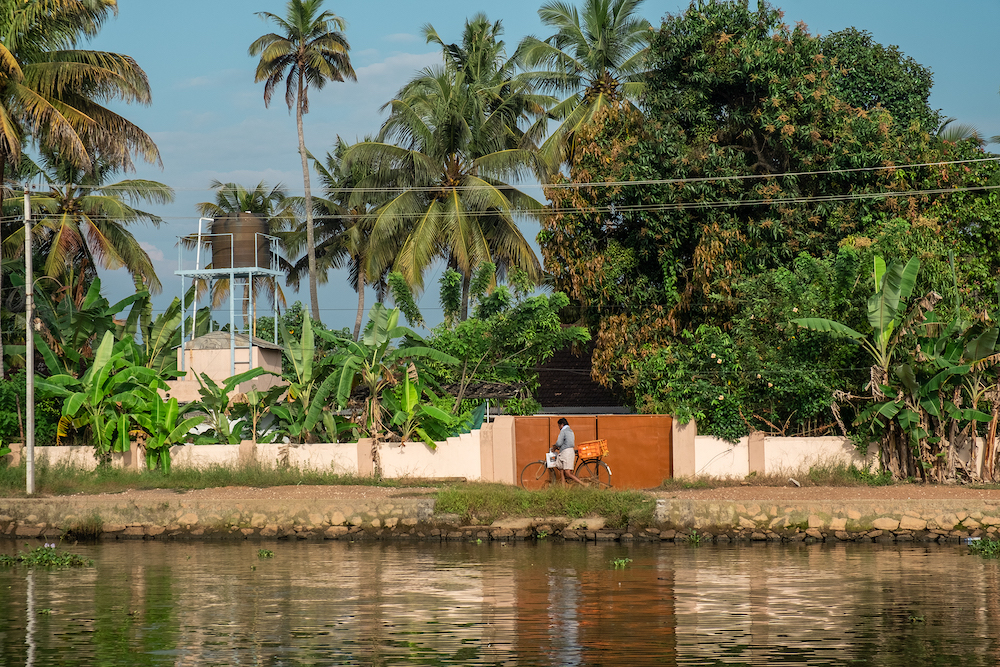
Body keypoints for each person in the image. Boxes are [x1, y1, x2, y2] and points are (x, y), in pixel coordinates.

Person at [551, 417, 585, 486]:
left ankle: (584, 484)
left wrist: (554, 447)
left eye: (559, 426)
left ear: (562, 425)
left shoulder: (563, 431)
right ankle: (563, 489)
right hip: (568, 451)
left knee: (567, 473)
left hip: (566, 452)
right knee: (561, 469)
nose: (559, 427)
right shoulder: (570, 431)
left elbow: (559, 443)